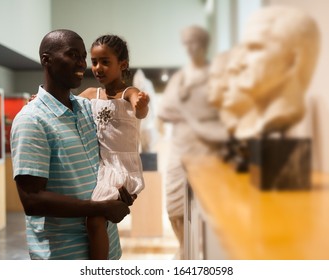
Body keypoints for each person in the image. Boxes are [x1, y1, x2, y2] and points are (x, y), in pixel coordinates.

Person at [10, 29, 133, 260]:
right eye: (73, 55)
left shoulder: (87, 109)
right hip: (64, 257)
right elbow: (32, 199)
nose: (82, 63)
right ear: (47, 60)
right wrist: (101, 209)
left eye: (83, 56)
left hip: (109, 251)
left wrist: (119, 192)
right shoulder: (32, 120)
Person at [157, 25, 228, 259]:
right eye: (186, 42)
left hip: (207, 147)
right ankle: (184, 248)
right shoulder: (180, 77)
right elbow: (165, 110)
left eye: (194, 42)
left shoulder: (216, 76)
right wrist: (187, 115)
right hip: (180, 146)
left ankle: (204, 255)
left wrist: (194, 116)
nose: (190, 47)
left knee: (209, 210)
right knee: (174, 206)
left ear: (204, 44)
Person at [79, 34, 149, 259]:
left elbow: (139, 109)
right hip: (102, 165)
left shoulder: (128, 93)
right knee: (96, 220)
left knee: (95, 220)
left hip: (121, 167)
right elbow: (65, 104)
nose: (98, 68)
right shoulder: (91, 94)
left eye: (105, 62)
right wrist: (39, 101)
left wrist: (142, 105)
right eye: (94, 62)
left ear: (123, 64)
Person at [228, 5, 320, 140]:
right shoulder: (251, 122)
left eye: (254, 48)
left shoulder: (281, 117)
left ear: (292, 60)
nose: (239, 63)